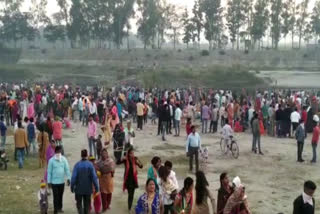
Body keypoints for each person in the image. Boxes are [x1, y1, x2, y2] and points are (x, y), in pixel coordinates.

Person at [71, 149, 99, 214]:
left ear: (81, 155)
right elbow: (94, 178)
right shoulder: (90, 165)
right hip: (88, 189)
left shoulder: (77, 165)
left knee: (79, 205)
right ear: (87, 155)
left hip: (78, 189)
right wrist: (96, 187)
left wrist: (72, 187)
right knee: (87, 205)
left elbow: (73, 178)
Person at [47, 145, 71, 214]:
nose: (59, 153)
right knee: (55, 196)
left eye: (60, 152)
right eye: (58, 152)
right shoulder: (51, 161)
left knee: (60, 195)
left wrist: (68, 178)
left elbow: (67, 169)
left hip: (61, 182)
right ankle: (55, 210)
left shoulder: (64, 159)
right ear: (55, 152)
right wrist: (49, 182)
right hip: (54, 182)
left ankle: (60, 208)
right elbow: (49, 172)